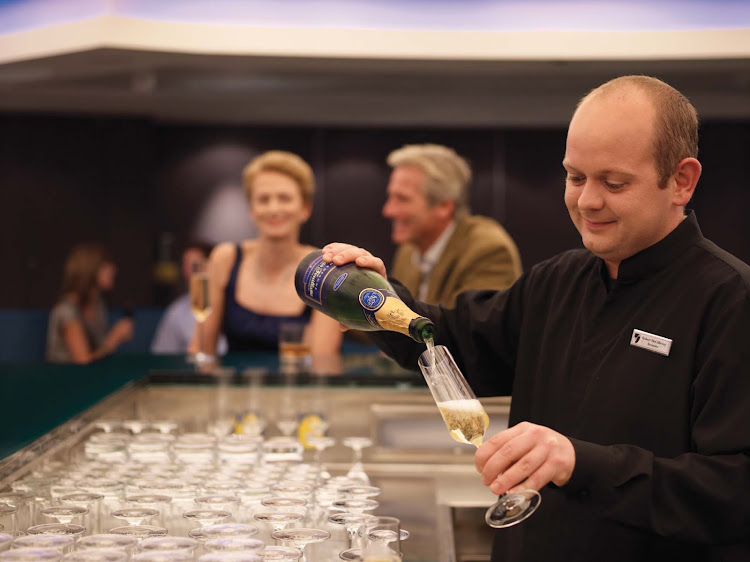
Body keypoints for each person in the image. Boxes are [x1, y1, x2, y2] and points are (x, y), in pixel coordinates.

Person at [322, 76, 750, 561]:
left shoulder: (730, 299)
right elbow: (453, 339)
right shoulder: (557, 280)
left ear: (681, 181)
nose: (587, 201)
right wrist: (376, 298)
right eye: (575, 177)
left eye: (614, 183)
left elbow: (734, 490)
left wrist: (580, 462)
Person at [196, 150, 342, 356]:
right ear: (251, 208)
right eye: (263, 199)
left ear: (305, 208)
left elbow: (323, 361)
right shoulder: (225, 259)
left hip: (299, 386)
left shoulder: (324, 268)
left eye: (284, 198)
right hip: (234, 387)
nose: (273, 208)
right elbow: (202, 349)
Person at [382, 143, 522, 306]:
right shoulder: (409, 250)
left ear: (444, 206)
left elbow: (469, 329)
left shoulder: (488, 250)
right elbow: (390, 323)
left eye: (402, 199)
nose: (388, 211)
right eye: (390, 197)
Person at [46, 243, 134, 364]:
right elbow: (83, 362)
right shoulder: (66, 311)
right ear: (90, 269)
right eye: (106, 265)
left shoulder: (98, 304)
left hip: (94, 378)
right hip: (66, 379)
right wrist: (114, 339)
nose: (113, 269)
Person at [151, 241, 228, 355]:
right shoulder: (177, 311)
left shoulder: (233, 305)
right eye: (186, 265)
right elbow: (161, 355)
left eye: (196, 265)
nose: (190, 271)